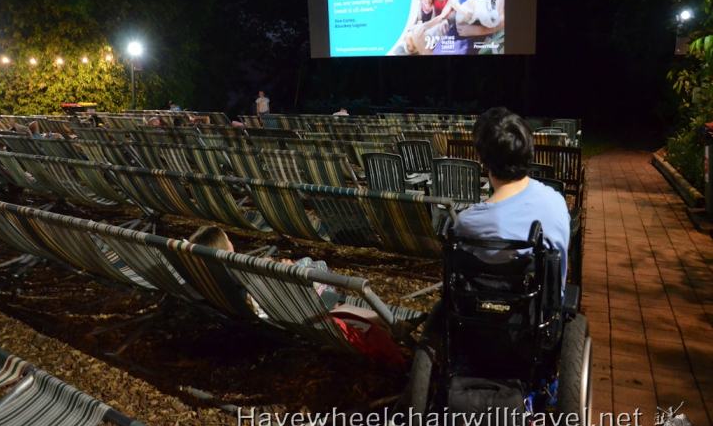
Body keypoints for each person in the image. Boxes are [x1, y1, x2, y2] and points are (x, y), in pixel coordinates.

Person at [189, 225, 406, 365]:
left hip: (276, 308)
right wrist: (284, 271)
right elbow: (272, 290)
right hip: (295, 309)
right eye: (228, 239)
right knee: (313, 267)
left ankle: (386, 320)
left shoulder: (215, 277)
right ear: (225, 247)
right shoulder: (243, 272)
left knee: (313, 272)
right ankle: (393, 323)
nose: (231, 242)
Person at [454, 107, 570, 286]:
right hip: (541, 311)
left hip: (476, 311)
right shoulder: (556, 202)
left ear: (483, 160)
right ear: (529, 151)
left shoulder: (466, 223)